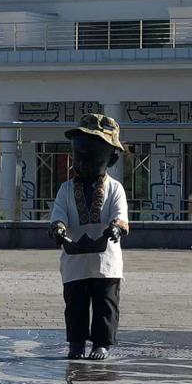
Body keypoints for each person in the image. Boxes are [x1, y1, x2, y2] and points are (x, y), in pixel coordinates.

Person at [49, 113, 130, 360]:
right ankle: (76, 342)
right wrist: (59, 230)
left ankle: (101, 343)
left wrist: (115, 228)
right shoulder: (65, 189)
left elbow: (119, 215)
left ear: (111, 159)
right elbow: (59, 215)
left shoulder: (115, 188)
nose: (83, 164)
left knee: (106, 304)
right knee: (75, 306)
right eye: (79, 157)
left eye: (92, 159)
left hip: (106, 262)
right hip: (74, 261)